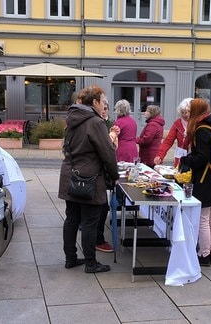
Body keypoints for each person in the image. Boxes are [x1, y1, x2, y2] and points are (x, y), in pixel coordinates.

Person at [58, 85, 119, 273]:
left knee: (72, 219)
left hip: (70, 175)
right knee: (90, 222)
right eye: (103, 102)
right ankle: (91, 263)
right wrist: (114, 176)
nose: (104, 106)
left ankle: (70, 258)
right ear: (95, 102)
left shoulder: (73, 118)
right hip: (89, 179)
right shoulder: (95, 122)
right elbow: (108, 153)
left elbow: (66, 147)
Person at [179, 98, 211, 267]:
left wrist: (187, 160)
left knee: (204, 219)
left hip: (204, 179)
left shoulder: (201, 130)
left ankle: (204, 254)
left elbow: (202, 158)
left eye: (191, 110)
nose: (188, 113)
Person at [96, 99, 119, 253]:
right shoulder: (97, 124)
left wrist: (113, 136)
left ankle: (96, 239)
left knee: (101, 207)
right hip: (94, 174)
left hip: (96, 173)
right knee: (101, 207)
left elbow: (113, 148)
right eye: (102, 108)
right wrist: (112, 135)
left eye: (106, 109)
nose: (104, 111)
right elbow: (106, 149)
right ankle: (97, 240)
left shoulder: (102, 123)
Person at [154, 98, 192, 167]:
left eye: (186, 112)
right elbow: (168, 141)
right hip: (180, 157)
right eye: (182, 112)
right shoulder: (177, 124)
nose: (184, 115)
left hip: (194, 157)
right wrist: (160, 155)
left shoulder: (197, 124)